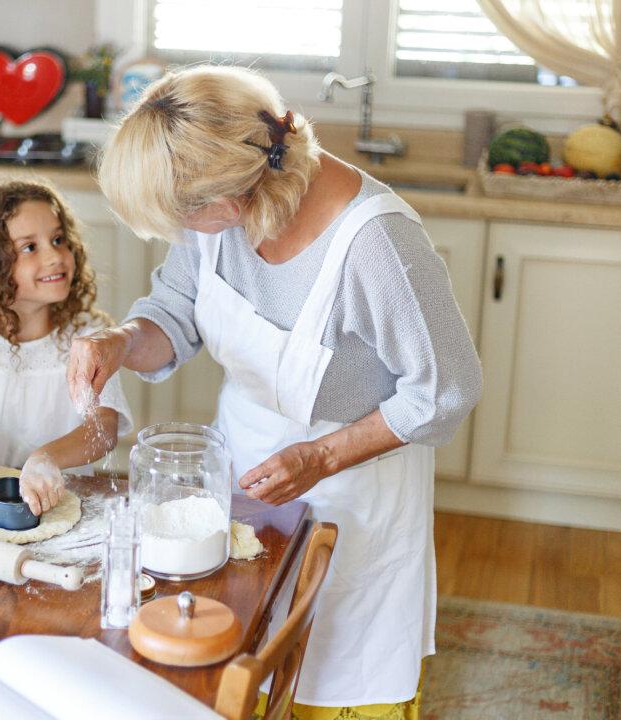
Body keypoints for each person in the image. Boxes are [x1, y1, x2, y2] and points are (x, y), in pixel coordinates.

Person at [68, 66, 481, 717]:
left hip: (354, 494)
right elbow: (174, 314)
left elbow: (445, 390)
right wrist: (120, 341)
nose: (179, 229)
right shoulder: (218, 214)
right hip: (244, 473)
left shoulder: (375, 245)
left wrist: (320, 456)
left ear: (231, 196)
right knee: (239, 667)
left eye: (182, 215)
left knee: (332, 680)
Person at [0, 180, 132, 518]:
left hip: (63, 504)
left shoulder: (91, 339)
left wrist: (48, 458)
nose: (55, 256)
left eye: (58, 240)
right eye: (29, 247)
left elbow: (103, 428)